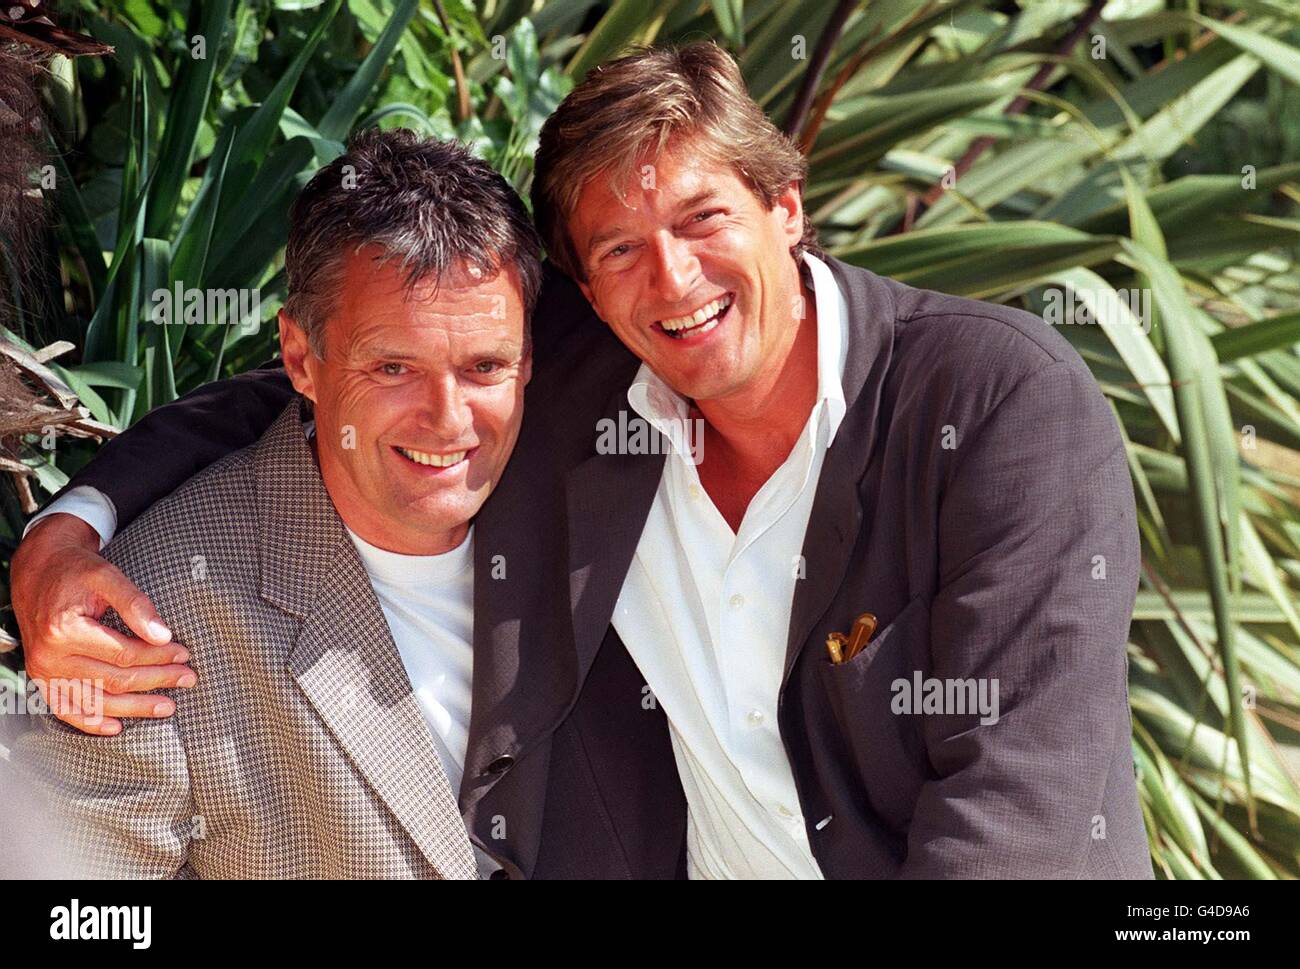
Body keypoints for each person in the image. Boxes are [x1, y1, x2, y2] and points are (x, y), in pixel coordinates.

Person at [12, 43, 1152, 878]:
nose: (674, 281)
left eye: (705, 218)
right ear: (585, 288)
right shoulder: (584, 374)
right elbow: (324, 387)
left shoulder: (996, 404)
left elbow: (1019, 820)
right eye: (619, 248)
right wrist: (68, 535)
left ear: (786, 207)